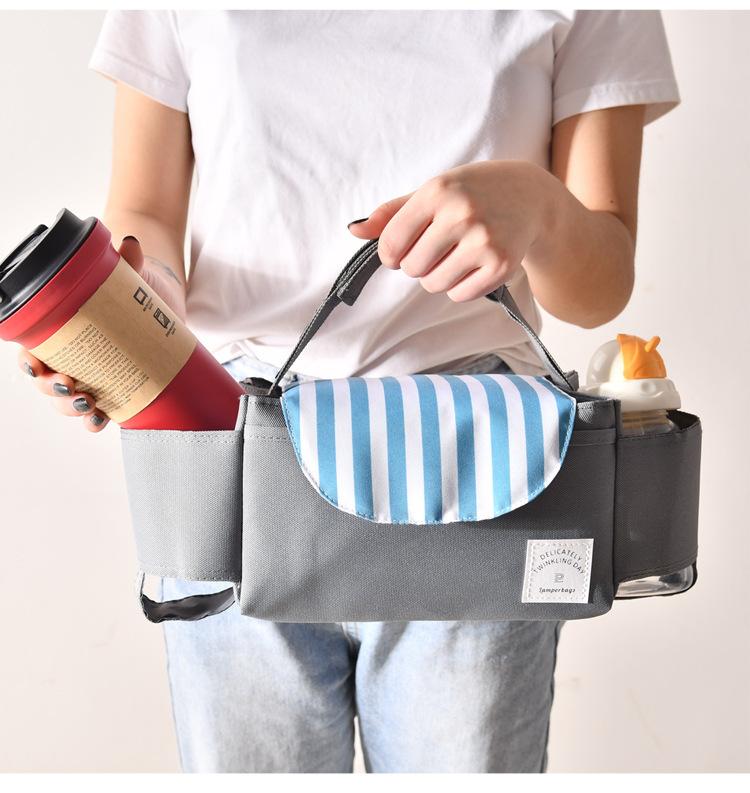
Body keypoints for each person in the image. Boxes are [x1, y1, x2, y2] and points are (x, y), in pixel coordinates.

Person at [17, 10, 679, 773]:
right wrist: (130, 314)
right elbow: (148, 211)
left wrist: (540, 207)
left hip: (481, 469)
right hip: (233, 447)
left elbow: (601, 284)